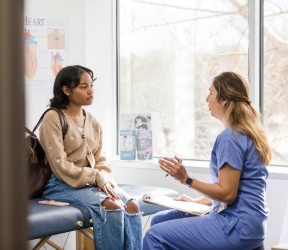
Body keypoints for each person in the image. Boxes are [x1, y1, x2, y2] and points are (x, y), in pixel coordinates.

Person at [143, 72, 271, 250]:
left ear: (224, 99)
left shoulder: (231, 137)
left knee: (155, 235)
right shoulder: (248, 132)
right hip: (251, 222)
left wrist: (186, 179)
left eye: (210, 93)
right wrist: (197, 202)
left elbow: (227, 194)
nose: (206, 99)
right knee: (160, 219)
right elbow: (240, 190)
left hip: (237, 226)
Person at [39, 65, 143, 250]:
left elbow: (101, 159)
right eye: (83, 87)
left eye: (91, 86)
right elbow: (59, 165)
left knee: (132, 205)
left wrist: (104, 179)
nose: (91, 91)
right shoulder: (53, 118)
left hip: (91, 183)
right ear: (66, 90)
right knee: (112, 206)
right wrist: (95, 177)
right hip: (60, 184)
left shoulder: (93, 121)